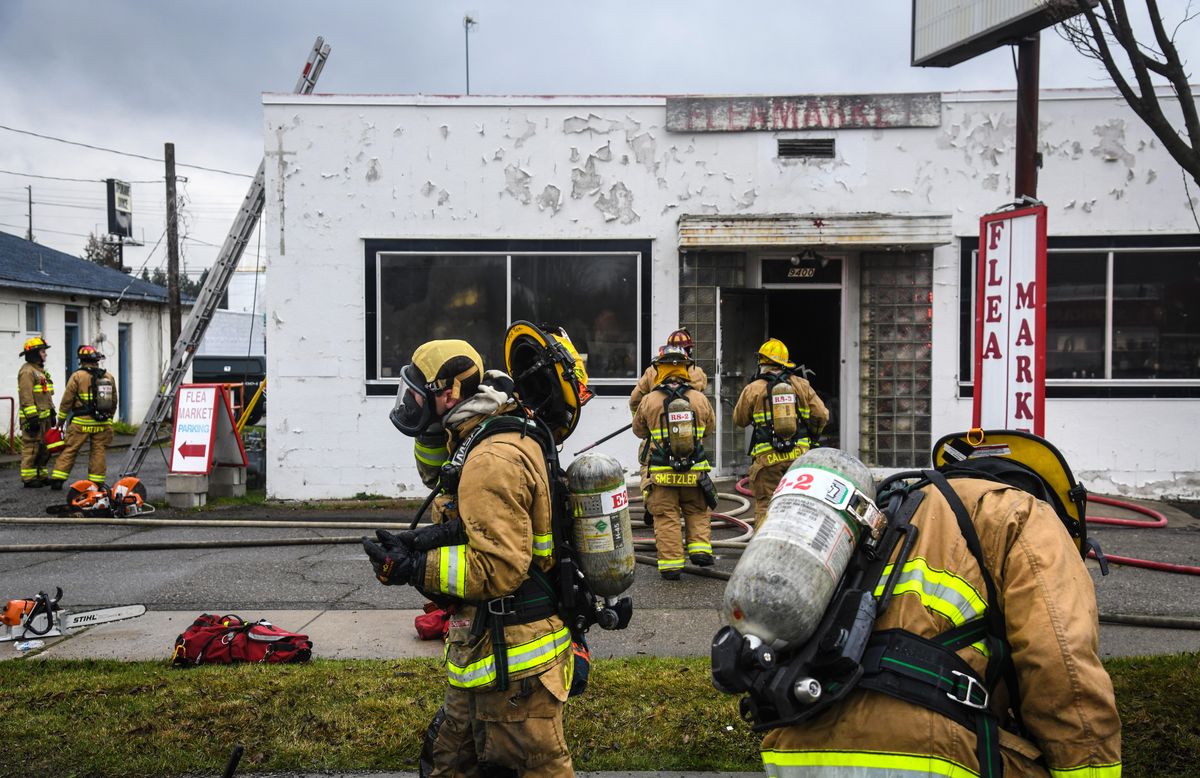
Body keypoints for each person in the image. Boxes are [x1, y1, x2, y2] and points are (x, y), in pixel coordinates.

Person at [754, 442, 1122, 777]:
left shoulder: (889, 509)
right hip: (927, 757)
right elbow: (1060, 664)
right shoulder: (1025, 513)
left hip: (793, 751)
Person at [363, 339, 575, 776]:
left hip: (516, 666)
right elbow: (472, 525)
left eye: (421, 395)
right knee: (448, 762)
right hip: (484, 648)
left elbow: (499, 567)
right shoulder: (474, 438)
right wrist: (418, 543)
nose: (413, 404)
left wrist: (414, 569)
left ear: (451, 393)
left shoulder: (490, 459)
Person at [631, 345, 717, 579]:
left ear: (659, 370)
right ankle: (700, 550)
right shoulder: (699, 399)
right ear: (686, 370)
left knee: (666, 518)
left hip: (661, 475)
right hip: (694, 473)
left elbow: (639, 431)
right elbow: (710, 428)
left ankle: (671, 565)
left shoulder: (649, 400)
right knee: (697, 511)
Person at [732, 338, 828, 524]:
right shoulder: (801, 385)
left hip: (767, 460)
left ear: (762, 363)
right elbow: (822, 415)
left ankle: (764, 550)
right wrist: (813, 436)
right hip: (799, 458)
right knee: (799, 505)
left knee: (767, 507)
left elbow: (739, 420)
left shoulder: (753, 389)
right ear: (784, 363)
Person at [628, 329, 708, 527]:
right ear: (689, 351)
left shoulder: (651, 372)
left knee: (648, 470)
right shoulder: (697, 373)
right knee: (693, 482)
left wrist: (646, 421)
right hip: (689, 437)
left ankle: (652, 504)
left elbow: (634, 400)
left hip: (658, 437)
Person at [49, 345, 118, 490]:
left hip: (81, 423)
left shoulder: (77, 376)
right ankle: (97, 482)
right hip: (102, 423)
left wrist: (61, 420)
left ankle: (58, 480)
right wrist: (109, 419)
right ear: (97, 360)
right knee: (98, 451)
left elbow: (67, 400)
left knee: (70, 449)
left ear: (81, 360)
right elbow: (113, 401)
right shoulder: (108, 377)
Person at [16, 336, 55, 487]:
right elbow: (26, 397)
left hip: (44, 418)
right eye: (43, 351)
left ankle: (41, 475)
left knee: (44, 448)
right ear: (34, 353)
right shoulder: (27, 372)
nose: (45, 354)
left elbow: (46, 395)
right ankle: (29, 478)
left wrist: (52, 413)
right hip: (33, 418)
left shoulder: (40, 371)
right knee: (31, 448)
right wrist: (32, 418)